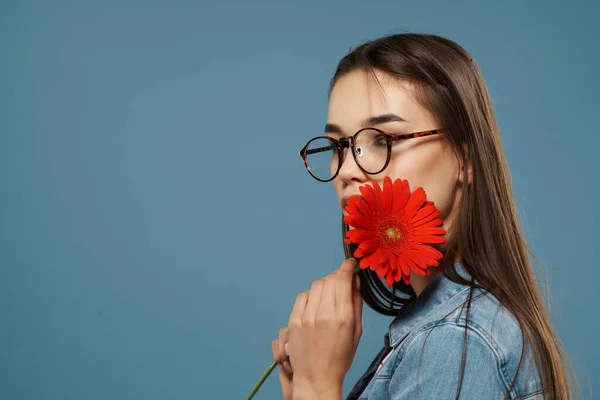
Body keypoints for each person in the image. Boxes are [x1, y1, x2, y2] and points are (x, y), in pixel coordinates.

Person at [271, 33, 577, 400]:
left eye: (384, 139)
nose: (348, 169)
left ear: (464, 158)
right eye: (340, 146)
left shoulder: (458, 341)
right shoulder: (444, 330)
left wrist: (316, 388)